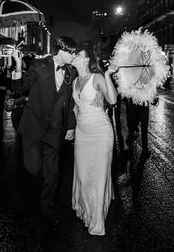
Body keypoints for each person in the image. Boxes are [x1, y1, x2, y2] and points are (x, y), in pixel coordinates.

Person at [15, 36, 77, 230]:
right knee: (33, 169)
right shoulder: (40, 64)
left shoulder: (71, 71)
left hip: (55, 130)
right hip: (34, 126)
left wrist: (70, 126)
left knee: (52, 175)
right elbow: (18, 88)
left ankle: (46, 213)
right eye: (71, 52)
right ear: (60, 50)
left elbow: (70, 102)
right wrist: (18, 67)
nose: (73, 55)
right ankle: (28, 198)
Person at [71, 49, 118, 236]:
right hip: (82, 132)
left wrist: (108, 75)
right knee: (83, 174)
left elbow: (112, 100)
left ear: (87, 60)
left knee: (97, 175)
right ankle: (85, 208)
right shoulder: (75, 81)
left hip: (100, 132)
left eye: (78, 54)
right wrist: (72, 129)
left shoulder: (97, 77)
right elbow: (76, 108)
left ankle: (96, 220)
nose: (74, 56)